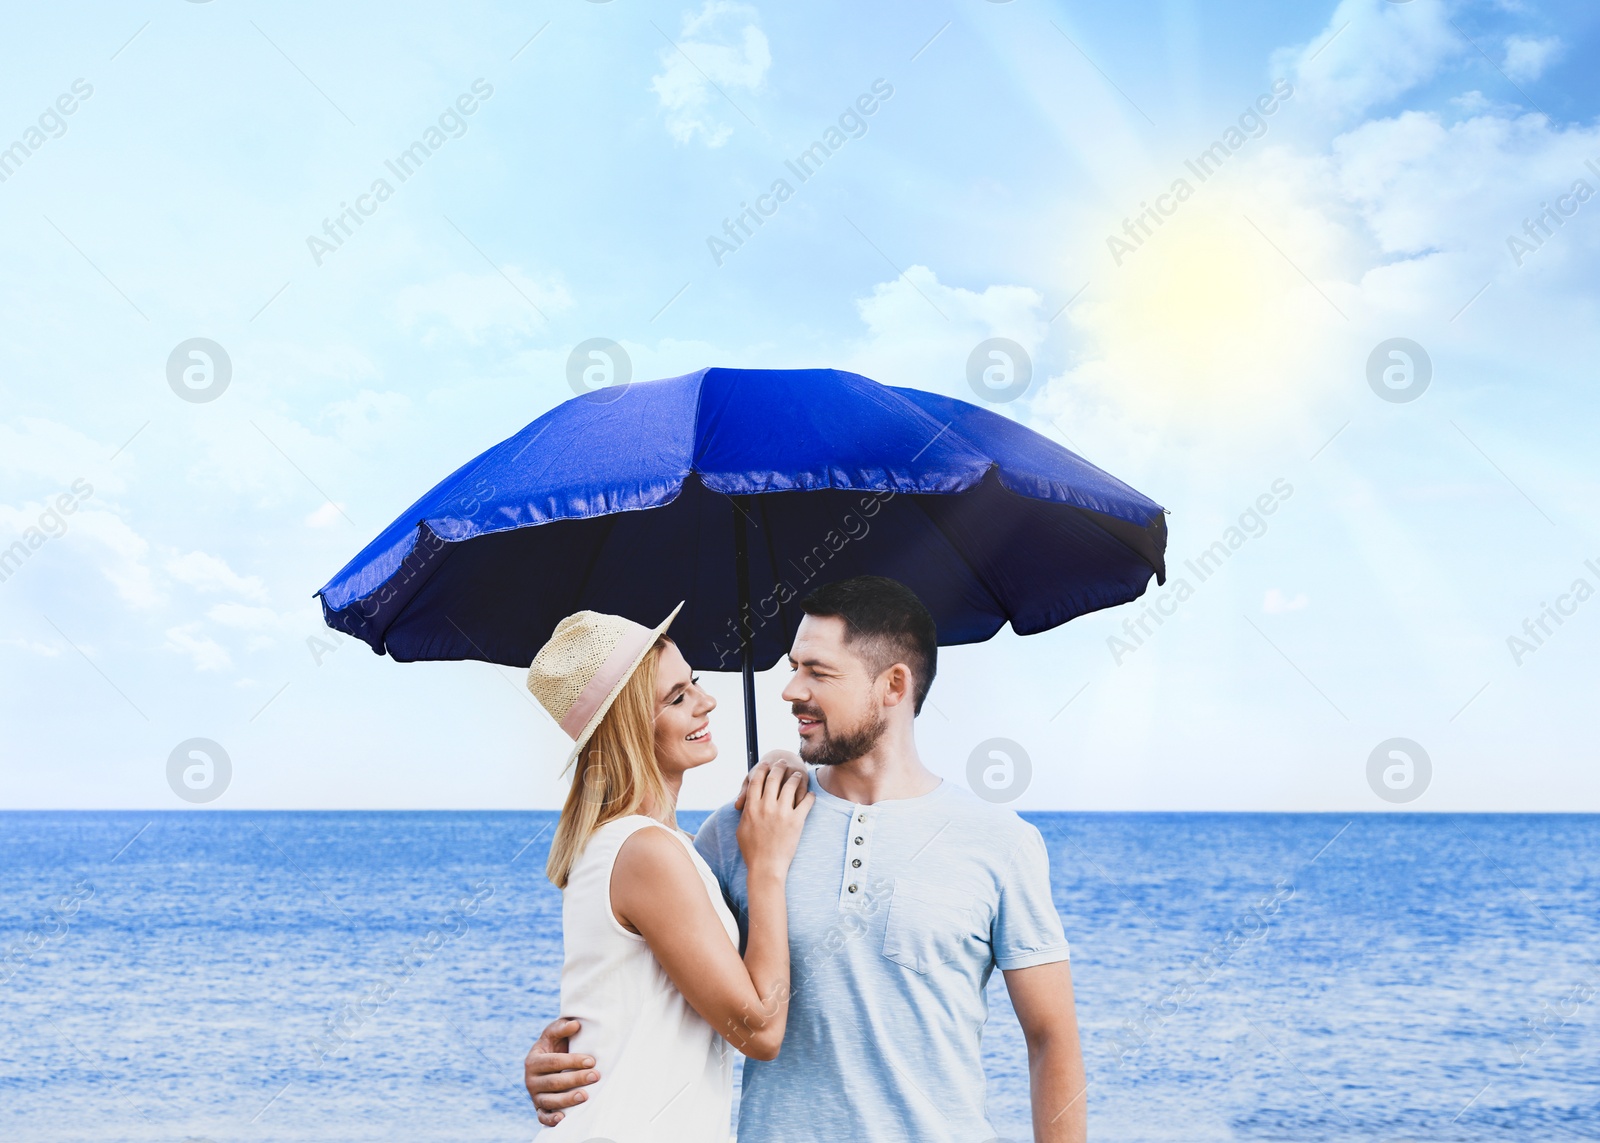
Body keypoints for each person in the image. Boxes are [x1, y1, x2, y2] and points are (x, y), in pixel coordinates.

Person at [526, 577, 1088, 1142]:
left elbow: (1051, 1038)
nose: (790, 690)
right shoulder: (738, 832)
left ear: (894, 685)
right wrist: (568, 1056)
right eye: (793, 667)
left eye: (816, 672)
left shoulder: (1000, 842)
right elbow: (657, 980)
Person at [524, 602, 814, 1141]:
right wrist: (767, 868)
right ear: (633, 728)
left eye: (695, 682)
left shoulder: (645, 844)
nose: (707, 702)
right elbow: (760, 1030)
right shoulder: (646, 852)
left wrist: (783, 759)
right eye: (678, 698)